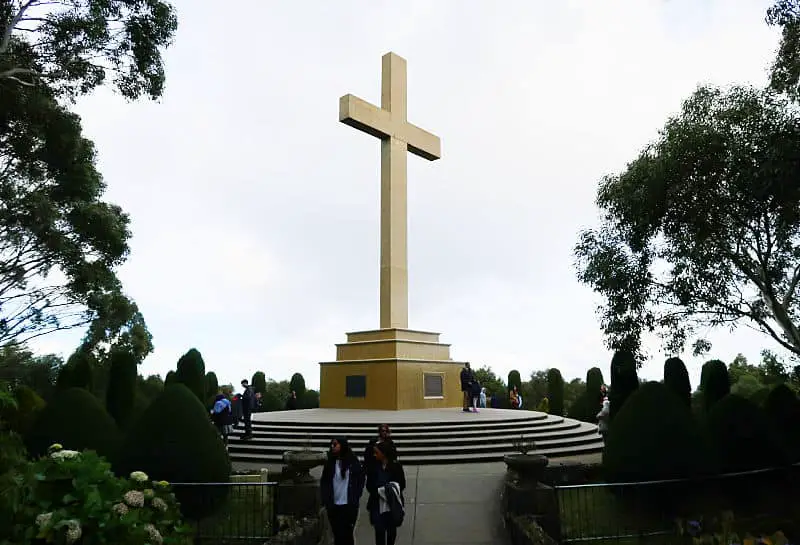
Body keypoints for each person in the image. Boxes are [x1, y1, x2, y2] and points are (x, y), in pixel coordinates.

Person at [320, 437, 365, 545]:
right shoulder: (330, 463)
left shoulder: (353, 462)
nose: (332, 447)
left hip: (349, 505)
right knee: (337, 535)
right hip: (334, 505)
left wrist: (356, 495)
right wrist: (326, 499)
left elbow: (361, 479)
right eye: (331, 444)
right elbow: (324, 482)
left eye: (335, 444)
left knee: (347, 534)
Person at [366, 441, 406, 545]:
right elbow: (369, 485)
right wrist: (379, 491)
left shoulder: (396, 467)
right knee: (379, 533)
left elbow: (402, 484)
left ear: (384, 453)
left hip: (391, 505)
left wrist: (389, 491)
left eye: (377, 452)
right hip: (377, 505)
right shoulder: (374, 467)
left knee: (391, 533)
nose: (375, 455)